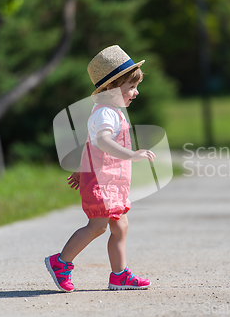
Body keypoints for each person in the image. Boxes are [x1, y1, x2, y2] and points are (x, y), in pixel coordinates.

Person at [45, 45, 156, 292]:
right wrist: (132, 154)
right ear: (111, 88)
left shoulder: (112, 112)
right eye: (131, 87)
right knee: (98, 226)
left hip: (112, 183)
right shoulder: (105, 113)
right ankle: (60, 262)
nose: (135, 93)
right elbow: (103, 142)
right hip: (102, 182)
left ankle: (119, 275)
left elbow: (90, 145)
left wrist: (81, 169)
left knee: (120, 226)